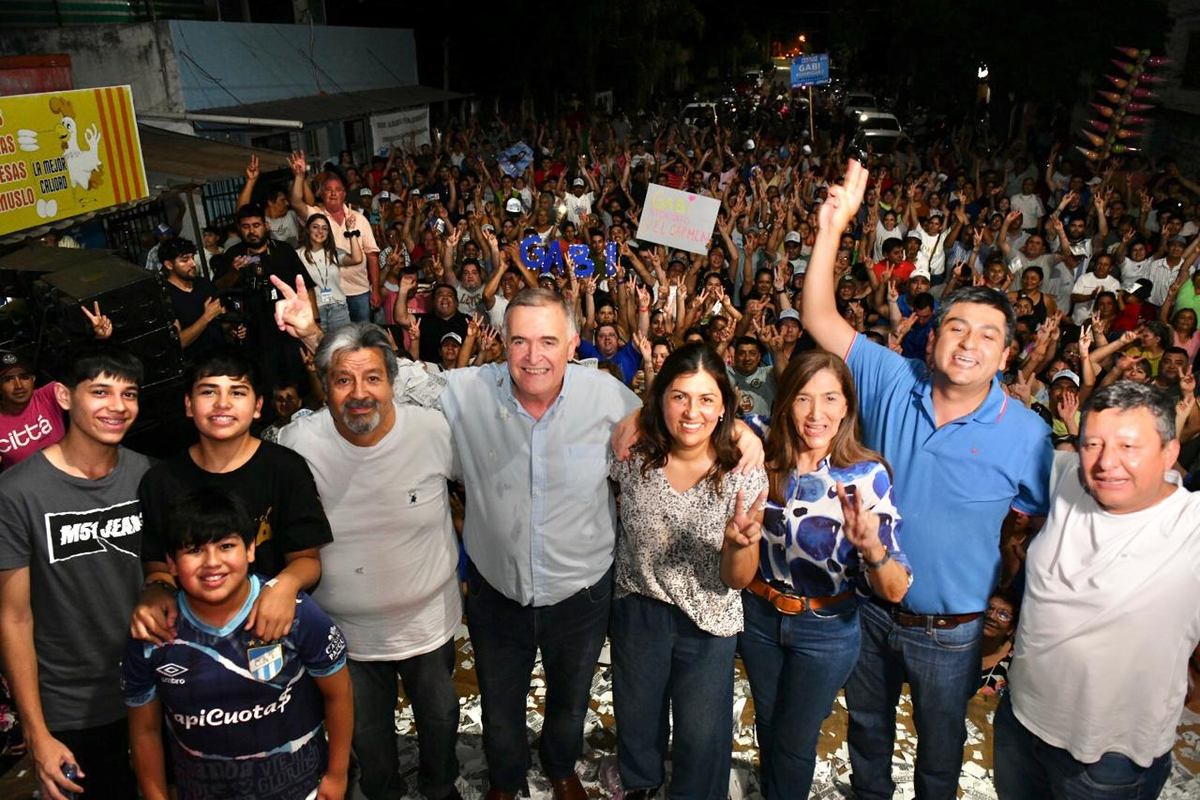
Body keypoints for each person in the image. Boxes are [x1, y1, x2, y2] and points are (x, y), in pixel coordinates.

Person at [802, 160, 1052, 800]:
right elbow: (820, 318)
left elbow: (1039, 521)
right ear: (933, 336)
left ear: (1005, 355)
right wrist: (832, 228)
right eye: (957, 327)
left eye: (988, 336)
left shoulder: (1027, 434)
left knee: (940, 753)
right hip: (868, 608)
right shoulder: (894, 377)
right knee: (867, 733)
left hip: (953, 630)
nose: (969, 343)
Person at [277, 323, 463, 800]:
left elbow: (481, 486)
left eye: (373, 378)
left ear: (392, 382)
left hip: (429, 626)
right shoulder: (298, 443)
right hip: (346, 636)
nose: (359, 394)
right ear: (324, 385)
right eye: (343, 380)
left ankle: (440, 788)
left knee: (441, 720)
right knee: (368, 736)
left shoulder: (432, 430)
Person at [995, 382, 1200, 799]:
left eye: (1129, 446)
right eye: (1093, 444)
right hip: (1020, 720)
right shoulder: (1067, 475)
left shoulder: (1191, 527)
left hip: (1109, 758)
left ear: (1170, 452)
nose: (1107, 462)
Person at [739, 351, 910, 799]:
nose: (817, 414)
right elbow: (706, 419)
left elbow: (895, 589)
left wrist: (872, 548)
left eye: (830, 398)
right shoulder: (762, 441)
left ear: (847, 405)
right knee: (769, 723)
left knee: (795, 740)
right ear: (785, 403)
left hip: (826, 629)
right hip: (759, 617)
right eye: (803, 398)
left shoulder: (866, 475)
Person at [606, 343, 768, 799]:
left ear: (724, 407)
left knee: (702, 734)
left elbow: (738, 580)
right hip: (639, 608)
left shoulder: (742, 472)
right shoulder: (633, 455)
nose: (692, 412)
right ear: (661, 399)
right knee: (637, 717)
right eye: (679, 396)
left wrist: (738, 546)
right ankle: (641, 784)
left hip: (709, 621)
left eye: (706, 399)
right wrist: (636, 416)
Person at [123, 487, 352, 800]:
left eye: (226, 546)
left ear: (250, 549)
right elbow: (144, 730)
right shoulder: (154, 632)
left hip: (302, 789)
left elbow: (339, 694)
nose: (212, 562)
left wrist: (337, 776)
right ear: (171, 564)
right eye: (194, 550)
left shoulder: (296, 613)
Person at [0, 345, 151, 800]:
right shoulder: (16, 492)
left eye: (129, 394)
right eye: (100, 391)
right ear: (64, 397)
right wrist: (36, 732)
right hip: (71, 708)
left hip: (154, 687)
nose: (117, 406)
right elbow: (14, 618)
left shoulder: (149, 476)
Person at [129, 349, 332, 649]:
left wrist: (284, 585)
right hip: (194, 640)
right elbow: (158, 566)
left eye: (237, 392)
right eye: (208, 391)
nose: (222, 403)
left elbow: (307, 560)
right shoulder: (160, 481)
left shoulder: (285, 469)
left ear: (258, 406)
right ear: (189, 405)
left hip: (277, 634)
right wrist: (157, 590)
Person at [214, 204, 318, 391]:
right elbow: (218, 289)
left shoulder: (283, 250)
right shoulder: (233, 255)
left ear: (266, 226)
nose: (251, 231)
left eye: (256, 225)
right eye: (246, 227)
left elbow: (307, 288)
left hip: (288, 328)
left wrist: (314, 322)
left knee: (298, 381)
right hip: (254, 334)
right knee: (263, 383)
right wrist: (234, 272)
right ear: (239, 229)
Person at [0, 308, 113, 472]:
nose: (18, 385)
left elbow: (83, 372)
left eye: (24, 377)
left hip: (67, 479)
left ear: (33, 380)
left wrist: (100, 340)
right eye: (9, 379)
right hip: (26, 487)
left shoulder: (48, 396)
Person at [289, 151, 381, 322]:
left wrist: (375, 289)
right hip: (330, 296)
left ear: (344, 194)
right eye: (328, 190)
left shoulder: (359, 219)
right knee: (337, 337)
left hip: (359, 291)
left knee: (362, 334)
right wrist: (299, 176)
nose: (333, 193)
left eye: (338, 190)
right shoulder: (316, 217)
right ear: (321, 194)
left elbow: (372, 257)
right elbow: (295, 202)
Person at [160, 236, 229, 360]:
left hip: (221, 357)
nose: (192, 264)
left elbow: (223, 319)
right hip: (195, 364)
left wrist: (232, 329)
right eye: (185, 260)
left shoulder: (205, 285)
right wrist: (206, 317)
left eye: (192, 257)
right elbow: (178, 342)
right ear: (169, 264)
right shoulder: (165, 296)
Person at [297, 212, 364, 332]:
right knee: (320, 344)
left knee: (344, 343)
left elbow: (357, 258)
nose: (320, 231)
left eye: (325, 228)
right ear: (307, 229)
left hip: (339, 309)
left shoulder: (333, 252)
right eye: (315, 227)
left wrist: (351, 231)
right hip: (315, 311)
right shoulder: (298, 255)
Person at [978, 588, 1018, 697]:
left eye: (1003, 615)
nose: (992, 616)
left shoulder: (1015, 662)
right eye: (989, 608)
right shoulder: (960, 645)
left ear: (1011, 629)